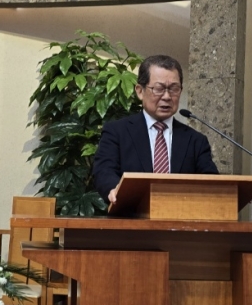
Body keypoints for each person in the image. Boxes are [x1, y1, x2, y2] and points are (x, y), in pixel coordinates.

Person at [92, 54, 218, 205]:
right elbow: (104, 170)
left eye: (174, 89)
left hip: (181, 216)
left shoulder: (196, 141)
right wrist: (115, 189)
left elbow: (212, 183)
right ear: (140, 91)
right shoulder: (117, 132)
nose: (167, 96)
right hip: (130, 214)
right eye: (159, 89)